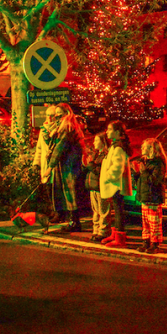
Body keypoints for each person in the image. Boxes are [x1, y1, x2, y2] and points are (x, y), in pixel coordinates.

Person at [47, 102, 86, 233]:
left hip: (69, 165)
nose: (57, 117)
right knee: (69, 192)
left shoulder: (67, 127)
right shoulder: (63, 126)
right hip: (68, 164)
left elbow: (60, 147)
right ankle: (72, 221)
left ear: (66, 114)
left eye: (60, 115)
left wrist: (50, 166)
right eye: (56, 115)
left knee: (70, 193)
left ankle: (74, 222)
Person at [100, 121, 132, 249]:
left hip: (116, 185)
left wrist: (106, 177)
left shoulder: (118, 148)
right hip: (114, 185)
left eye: (109, 129)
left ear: (117, 132)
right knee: (116, 210)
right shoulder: (115, 146)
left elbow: (117, 169)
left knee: (118, 211)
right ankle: (115, 234)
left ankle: (120, 238)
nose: (106, 132)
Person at [133, 138, 166, 254]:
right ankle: (146, 242)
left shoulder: (158, 163)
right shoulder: (145, 161)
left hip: (153, 197)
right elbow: (142, 179)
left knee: (154, 222)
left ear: (151, 148)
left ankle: (155, 244)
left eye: (144, 147)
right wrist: (135, 173)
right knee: (145, 222)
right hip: (145, 197)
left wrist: (144, 171)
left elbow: (155, 181)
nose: (141, 149)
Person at [85, 132, 110, 242]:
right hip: (93, 186)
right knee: (95, 210)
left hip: (101, 187)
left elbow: (100, 172)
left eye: (96, 140)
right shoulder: (96, 154)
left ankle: (103, 232)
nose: (94, 142)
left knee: (103, 210)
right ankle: (96, 230)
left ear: (103, 142)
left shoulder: (105, 155)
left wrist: (90, 164)